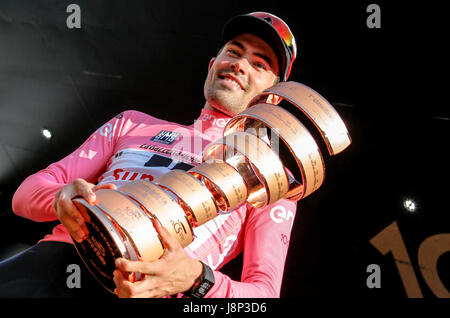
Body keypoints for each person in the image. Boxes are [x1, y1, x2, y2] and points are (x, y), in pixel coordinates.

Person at [2, 11, 298, 298]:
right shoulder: (132, 122)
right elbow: (23, 197)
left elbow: (264, 295)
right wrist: (62, 198)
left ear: (270, 99)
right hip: (51, 263)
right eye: (233, 52)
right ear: (212, 65)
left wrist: (197, 280)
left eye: (259, 64)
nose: (239, 65)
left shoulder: (270, 180)